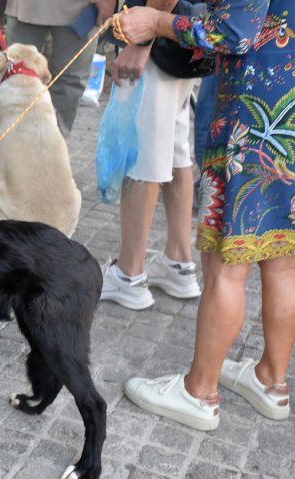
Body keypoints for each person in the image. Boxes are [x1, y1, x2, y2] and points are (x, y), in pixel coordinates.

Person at [116, 0, 295, 430]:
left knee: (225, 270)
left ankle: (200, 391)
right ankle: (271, 381)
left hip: (252, 120)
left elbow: (235, 31)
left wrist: (156, 21)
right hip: (287, 110)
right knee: (283, 262)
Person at [100, 0, 202, 311]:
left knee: (144, 156)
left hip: (157, 41)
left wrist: (141, 43)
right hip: (180, 40)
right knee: (175, 148)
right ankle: (178, 262)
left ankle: (129, 274)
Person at [3, 0, 117, 138]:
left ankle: (51, 150)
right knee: (15, 80)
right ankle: (8, 149)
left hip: (81, 7)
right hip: (25, 5)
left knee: (69, 85)